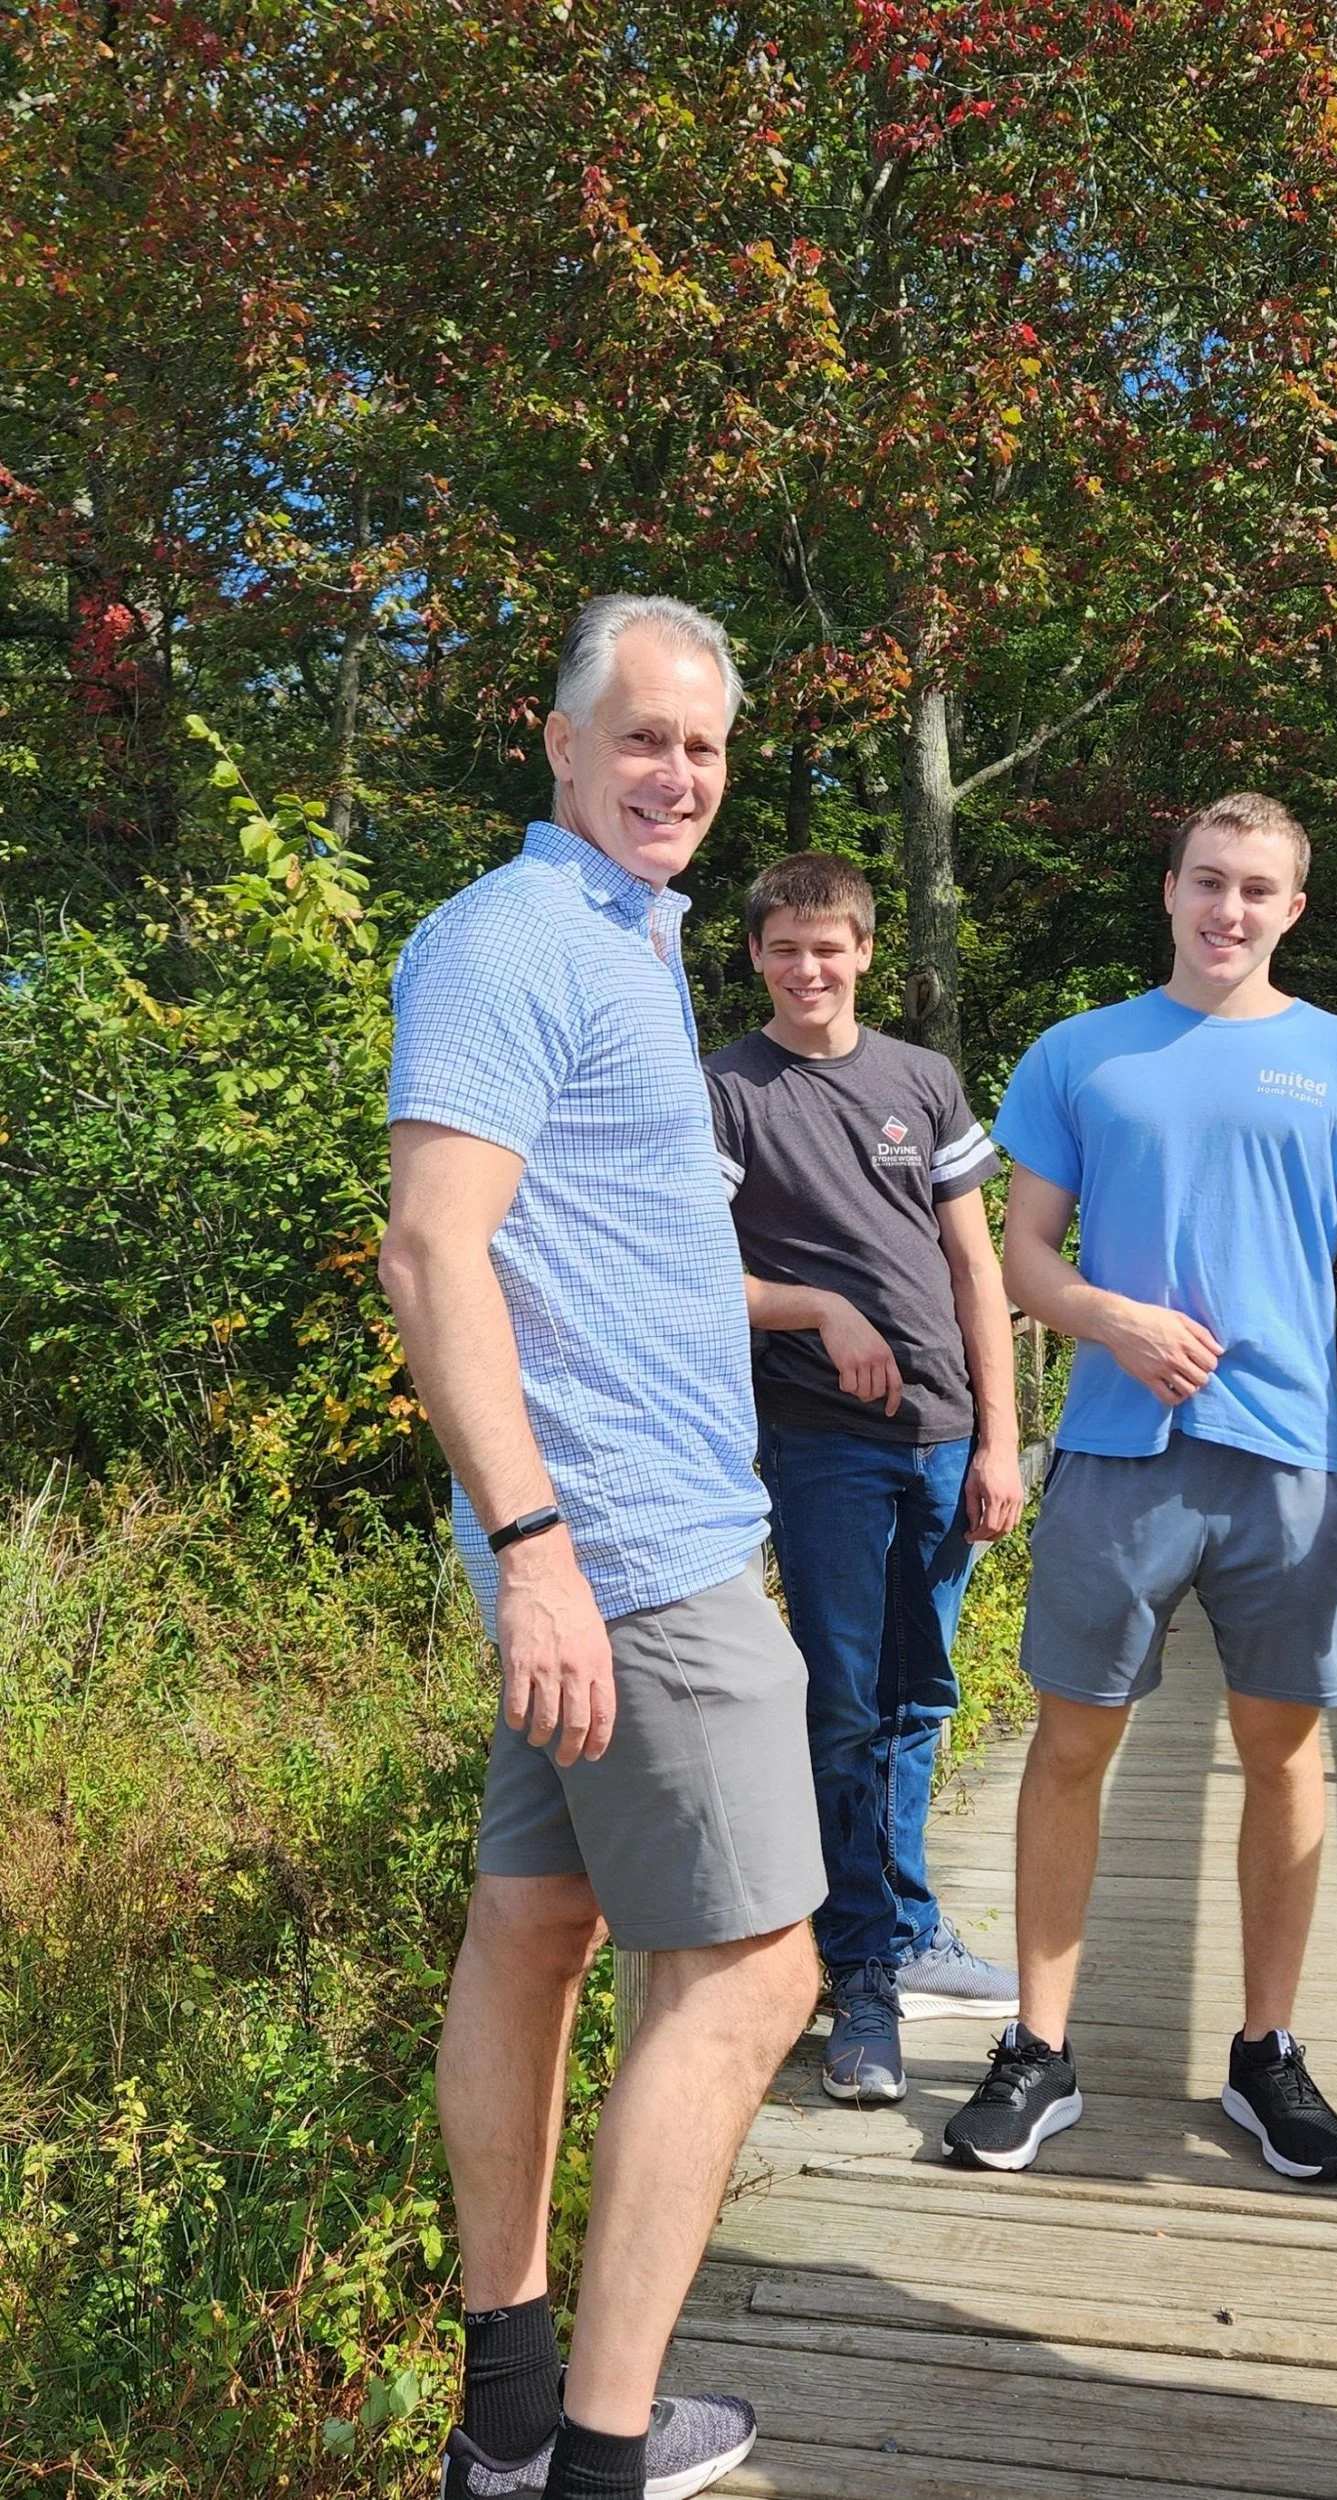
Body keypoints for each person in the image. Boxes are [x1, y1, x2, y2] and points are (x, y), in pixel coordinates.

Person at [381, 595, 823, 2500]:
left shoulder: (634, 950)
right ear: (551, 742)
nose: (679, 777)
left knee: (538, 1927)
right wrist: (540, 1546)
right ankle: (601, 2458)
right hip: (627, 1556)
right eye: (642, 737)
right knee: (755, 1976)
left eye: (706, 748)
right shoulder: (507, 942)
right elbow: (431, 1246)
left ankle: (509, 2410)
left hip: (616, 1548)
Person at [939, 791, 1337, 2180]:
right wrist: (1111, 1319)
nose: (1230, 910)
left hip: (1293, 1465)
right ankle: (1039, 2049)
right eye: (1208, 882)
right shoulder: (1080, 1056)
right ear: (1168, 890)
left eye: (1258, 890)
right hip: (1118, 1459)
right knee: (1072, 1745)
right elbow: (1023, 1257)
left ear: (1294, 908)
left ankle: (1265, 2052)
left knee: (1285, 1753)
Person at [705, 851, 1026, 2108]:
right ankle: (862, 1986)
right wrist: (819, 1307)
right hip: (823, 1441)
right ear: (755, 958)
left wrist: (998, 1437)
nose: (807, 968)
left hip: (944, 1437)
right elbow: (692, 1273)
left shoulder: (922, 1079)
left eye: (828, 946)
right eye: (784, 948)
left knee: (920, 1694)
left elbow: (976, 1269)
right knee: (843, 1700)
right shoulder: (726, 1090)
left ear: (864, 952)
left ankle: (905, 1922)